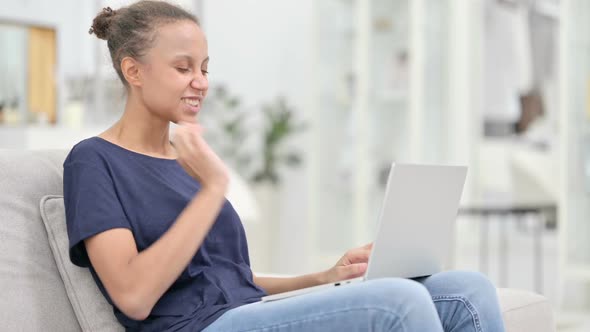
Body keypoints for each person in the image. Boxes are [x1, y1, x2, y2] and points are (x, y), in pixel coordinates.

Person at [63, 1, 506, 331]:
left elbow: (227, 278)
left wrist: (323, 277)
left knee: (469, 289)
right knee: (398, 301)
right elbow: (135, 296)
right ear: (133, 72)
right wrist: (214, 187)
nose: (201, 81)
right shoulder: (94, 161)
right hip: (196, 328)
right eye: (183, 68)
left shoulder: (188, 159)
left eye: (204, 67)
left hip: (247, 312)